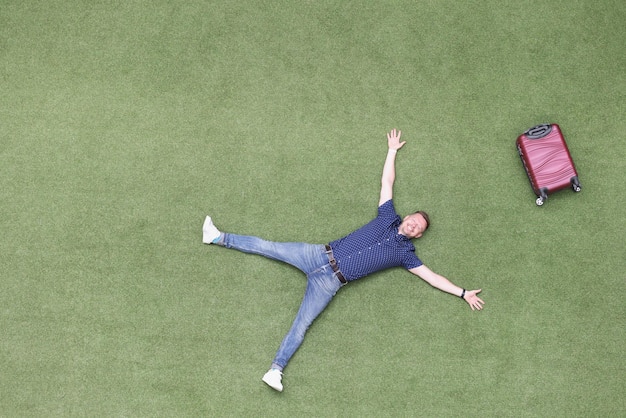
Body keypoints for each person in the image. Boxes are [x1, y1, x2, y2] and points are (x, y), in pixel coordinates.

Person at [202, 129, 485, 392]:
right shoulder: (387, 216)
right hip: (317, 254)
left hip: (330, 283)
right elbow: (387, 182)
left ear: (419, 236)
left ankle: (275, 370)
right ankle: (216, 237)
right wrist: (391, 151)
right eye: (413, 220)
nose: (413, 225)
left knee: (301, 325)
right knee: (268, 246)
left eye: (418, 227)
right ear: (407, 217)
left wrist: (462, 293)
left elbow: (432, 277)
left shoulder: (405, 255)